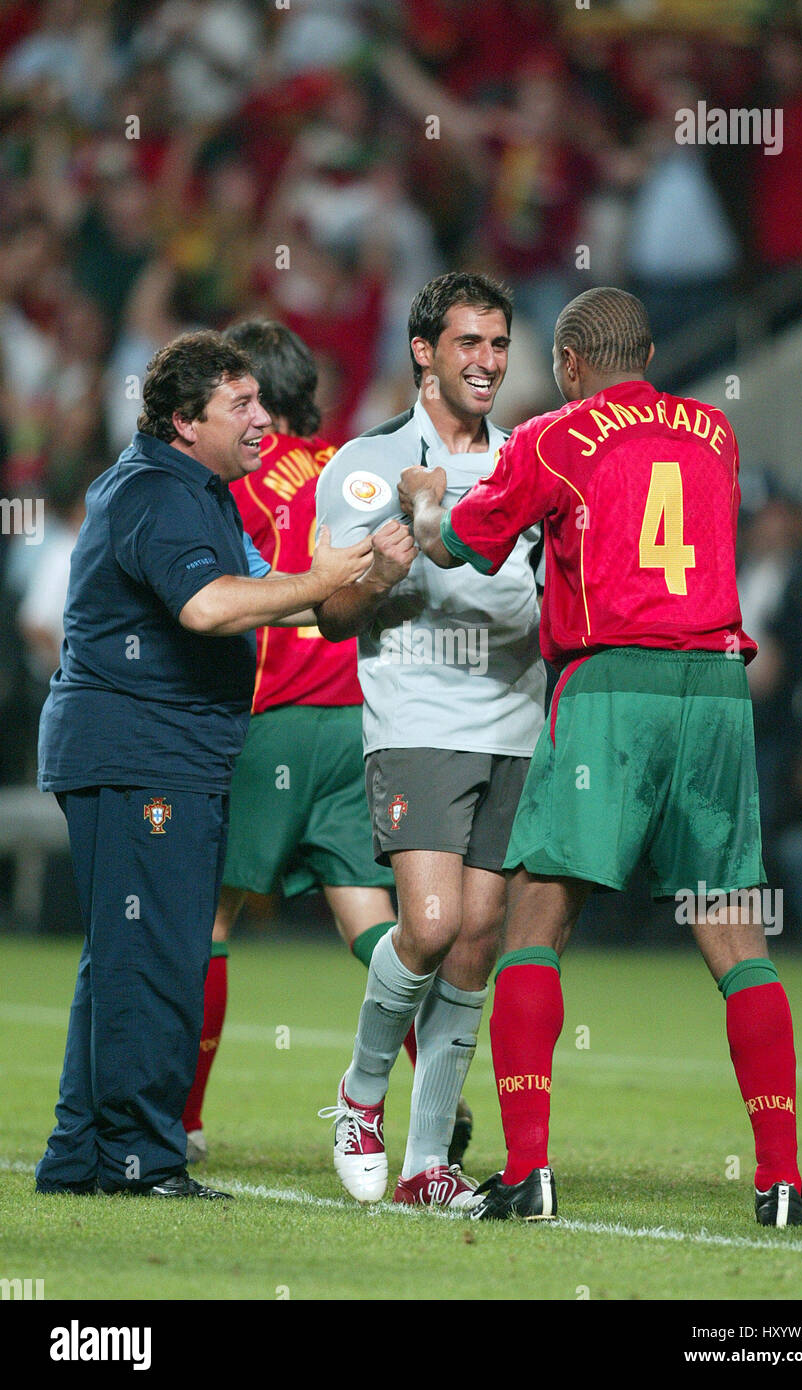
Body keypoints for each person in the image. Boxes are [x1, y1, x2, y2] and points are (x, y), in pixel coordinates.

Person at [399, 285, 802, 1227]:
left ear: (572, 364)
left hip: (608, 688)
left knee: (533, 927)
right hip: (713, 689)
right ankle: (781, 1179)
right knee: (737, 942)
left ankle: (530, 1172)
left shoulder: (555, 434)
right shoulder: (712, 431)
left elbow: (464, 545)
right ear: (652, 352)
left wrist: (427, 507)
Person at [35, 330, 371, 1200]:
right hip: (141, 752)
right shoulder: (160, 493)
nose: (266, 419)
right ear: (186, 421)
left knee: (126, 953)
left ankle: (82, 1156)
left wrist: (360, 581)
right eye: (243, 406)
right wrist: (316, 580)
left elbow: (276, 596)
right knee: (158, 957)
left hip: (151, 750)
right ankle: (143, 1160)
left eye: (261, 400)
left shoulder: (196, 491)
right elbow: (211, 605)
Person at [315, 271, 545, 1208]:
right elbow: (330, 614)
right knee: (433, 924)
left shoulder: (529, 457)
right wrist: (377, 575)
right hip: (416, 715)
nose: (487, 363)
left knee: (477, 941)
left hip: (516, 715)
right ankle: (360, 1092)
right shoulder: (364, 465)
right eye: (467, 344)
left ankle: (424, 1169)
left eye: (497, 344)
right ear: (423, 351)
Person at [182, 319, 415, 1164]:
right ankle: (432, 1111)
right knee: (377, 925)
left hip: (269, 718)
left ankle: (185, 1121)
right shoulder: (355, 471)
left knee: (208, 920)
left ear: (260, 405)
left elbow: (223, 599)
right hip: (359, 722)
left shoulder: (238, 482)